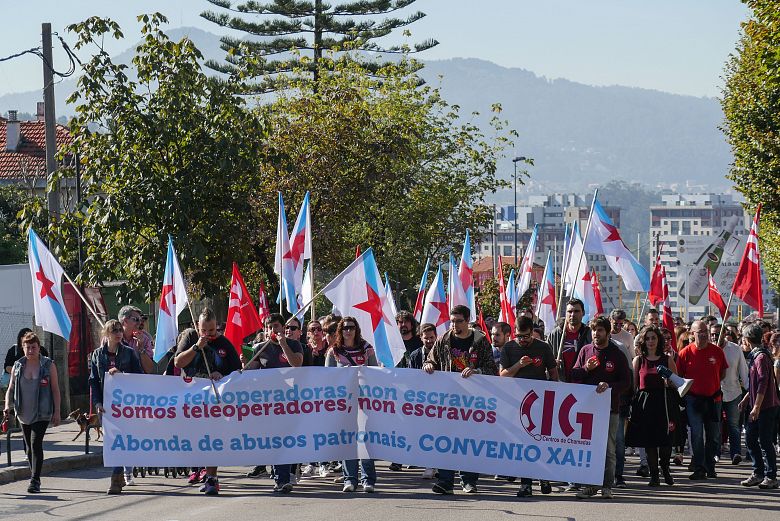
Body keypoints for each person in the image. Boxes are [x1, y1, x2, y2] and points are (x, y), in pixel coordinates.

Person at [424, 304, 497, 495]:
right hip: (448, 400)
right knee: (446, 441)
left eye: (459, 321)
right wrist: (429, 365)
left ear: (467, 320)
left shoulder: (481, 341)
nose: (454, 325)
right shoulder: (443, 340)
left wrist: (476, 371)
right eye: (452, 321)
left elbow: (492, 370)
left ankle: (469, 480)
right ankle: (446, 481)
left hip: (473, 402)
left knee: (469, 442)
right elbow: (431, 359)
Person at [174, 308, 241, 496]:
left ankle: (212, 478)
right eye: (204, 330)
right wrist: (196, 347)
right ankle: (200, 470)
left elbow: (237, 371)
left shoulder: (224, 343)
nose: (209, 335)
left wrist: (222, 375)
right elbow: (178, 363)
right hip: (192, 399)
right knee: (197, 438)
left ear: (217, 327)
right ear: (198, 327)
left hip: (214, 400)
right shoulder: (190, 339)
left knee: (212, 437)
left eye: (212, 331)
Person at [570, 315, 631, 500]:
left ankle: (606, 486)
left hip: (610, 410)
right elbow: (574, 374)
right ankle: (590, 486)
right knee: (589, 449)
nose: (596, 333)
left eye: (600, 330)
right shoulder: (585, 351)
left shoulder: (617, 354)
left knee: (608, 450)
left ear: (607, 332)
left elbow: (627, 382)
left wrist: (610, 387)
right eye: (594, 330)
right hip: (587, 410)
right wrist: (586, 369)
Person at [244, 313, 304, 492]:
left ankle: (284, 477)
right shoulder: (260, 348)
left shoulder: (293, 344)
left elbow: (297, 364)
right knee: (275, 441)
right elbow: (251, 373)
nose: (273, 330)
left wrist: (283, 344)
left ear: (283, 328)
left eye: (276, 326)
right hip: (268, 403)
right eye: (269, 327)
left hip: (289, 402)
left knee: (286, 440)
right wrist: (246, 365)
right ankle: (281, 478)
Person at [500, 316, 557, 497]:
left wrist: (552, 395)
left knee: (539, 441)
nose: (522, 340)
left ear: (532, 332)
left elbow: (554, 374)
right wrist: (519, 364)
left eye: (525, 336)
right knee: (524, 444)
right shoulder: (508, 348)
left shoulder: (543, 347)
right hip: (517, 403)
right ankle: (526, 484)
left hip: (540, 403)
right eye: (518, 336)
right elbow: (503, 375)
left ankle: (543, 476)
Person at [89, 319, 143, 494]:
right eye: (114, 331)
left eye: (120, 329)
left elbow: (139, 377)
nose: (118, 333)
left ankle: (116, 476)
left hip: (126, 405)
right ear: (106, 334)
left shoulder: (129, 353)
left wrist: (121, 375)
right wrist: (97, 402)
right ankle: (119, 475)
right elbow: (94, 381)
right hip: (107, 406)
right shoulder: (97, 355)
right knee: (113, 441)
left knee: (122, 440)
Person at [325, 317, 379, 493]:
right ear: (340, 331)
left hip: (364, 402)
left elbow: (375, 373)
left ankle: (368, 479)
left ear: (357, 330)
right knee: (347, 441)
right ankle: (349, 478)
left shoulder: (367, 349)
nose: (348, 331)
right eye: (345, 328)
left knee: (365, 441)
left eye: (352, 327)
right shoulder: (334, 351)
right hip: (344, 403)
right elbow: (327, 378)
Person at [3, 332, 60, 493]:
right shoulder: (18, 365)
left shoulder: (48, 365)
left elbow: (55, 390)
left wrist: (57, 411)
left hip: (42, 412)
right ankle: (33, 473)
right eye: (27, 348)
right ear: (23, 348)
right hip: (23, 413)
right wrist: (7, 405)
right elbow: (10, 388)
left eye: (33, 347)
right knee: (28, 448)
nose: (30, 351)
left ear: (38, 348)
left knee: (35, 444)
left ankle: (35, 480)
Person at [625, 325, 679, 487]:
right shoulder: (639, 360)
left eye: (653, 338)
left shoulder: (667, 359)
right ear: (643, 340)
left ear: (658, 340)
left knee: (666, 440)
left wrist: (669, 382)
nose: (650, 341)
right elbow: (634, 386)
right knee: (649, 442)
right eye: (647, 338)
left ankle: (665, 468)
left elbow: (678, 383)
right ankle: (654, 474)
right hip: (645, 404)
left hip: (664, 401)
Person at [677, 320, 728, 480]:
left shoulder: (717, 351)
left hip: (714, 400)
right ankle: (699, 467)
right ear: (692, 334)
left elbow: (723, 373)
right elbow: (679, 376)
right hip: (693, 401)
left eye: (705, 331)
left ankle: (710, 465)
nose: (704, 334)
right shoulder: (685, 353)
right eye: (700, 332)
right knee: (697, 435)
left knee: (714, 435)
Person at [739, 324, 780, 489]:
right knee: (750, 438)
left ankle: (771, 476)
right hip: (757, 405)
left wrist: (756, 407)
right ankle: (758, 472)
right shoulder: (755, 356)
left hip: (766, 407)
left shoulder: (761, 357)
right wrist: (746, 398)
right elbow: (755, 385)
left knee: (765, 441)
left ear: (748, 340)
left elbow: (763, 383)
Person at [710, 323, 749, 465]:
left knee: (733, 425)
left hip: (733, 393)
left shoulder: (735, 349)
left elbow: (743, 371)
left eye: (718, 333)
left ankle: (736, 453)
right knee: (716, 425)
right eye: (713, 334)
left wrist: (749, 389)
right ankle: (716, 453)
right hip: (714, 394)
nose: (715, 336)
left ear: (725, 333)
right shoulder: (709, 349)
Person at [609, 309, 635, 488]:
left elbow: (630, 369)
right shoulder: (590, 348)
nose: (618, 326)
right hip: (597, 401)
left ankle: (618, 475)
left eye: (621, 323)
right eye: (614, 323)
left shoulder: (622, 345)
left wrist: (626, 394)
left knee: (618, 440)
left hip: (618, 400)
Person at [547, 298, 592, 382]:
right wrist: (551, 363)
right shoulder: (555, 334)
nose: (572, 314)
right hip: (561, 383)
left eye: (576, 311)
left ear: (583, 313)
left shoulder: (590, 334)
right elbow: (546, 357)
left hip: (584, 383)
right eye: (570, 312)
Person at [118, 305, 154, 375]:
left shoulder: (145, 339)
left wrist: (141, 348)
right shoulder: (111, 337)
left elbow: (149, 370)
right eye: (136, 319)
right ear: (125, 320)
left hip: (138, 381)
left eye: (140, 320)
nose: (139, 323)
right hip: (117, 381)